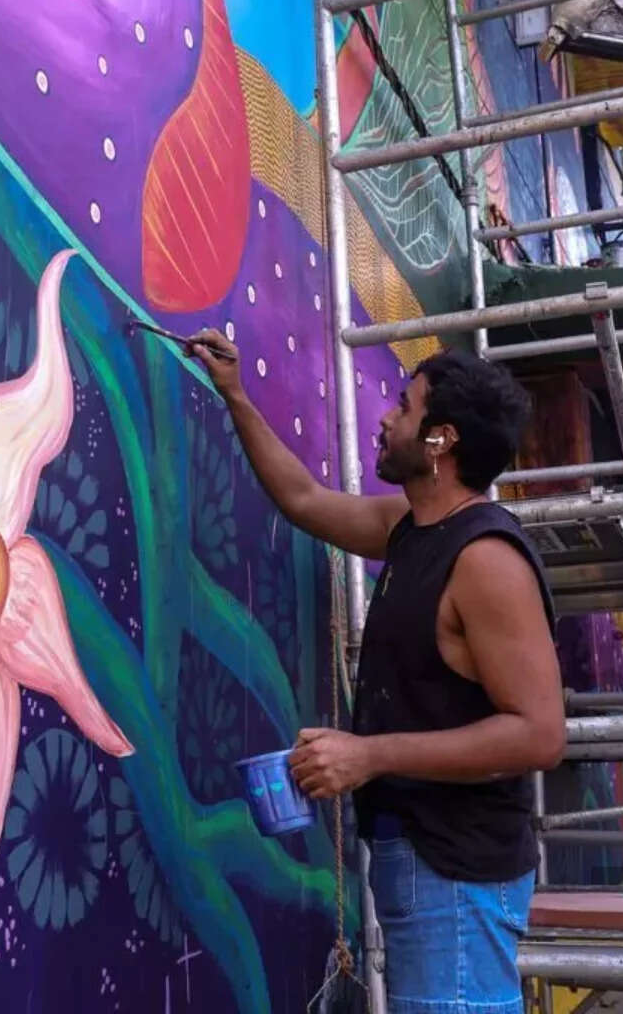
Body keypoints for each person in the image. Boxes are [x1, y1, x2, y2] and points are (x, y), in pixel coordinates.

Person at [187, 330, 565, 1014]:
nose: (387, 418)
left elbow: (539, 735)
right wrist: (235, 393)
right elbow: (304, 500)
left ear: (441, 440)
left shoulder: (485, 560)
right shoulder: (411, 528)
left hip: (455, 871)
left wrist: (369, 755)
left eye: (405, 406)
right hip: (423, 862)